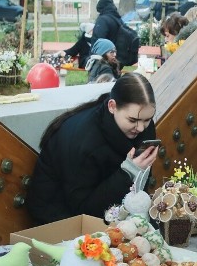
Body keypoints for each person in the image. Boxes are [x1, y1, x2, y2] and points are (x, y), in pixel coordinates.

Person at [27, 73, 158, 223]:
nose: (141, 128)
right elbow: (84, 210)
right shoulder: (84, 140)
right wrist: (129, 172)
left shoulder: (140, 126)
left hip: (110, 211)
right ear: (112, 106)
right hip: (58, 216)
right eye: (133, 120)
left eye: (147, 120)